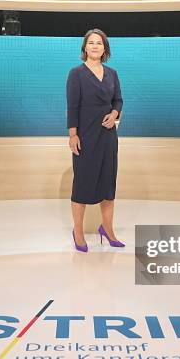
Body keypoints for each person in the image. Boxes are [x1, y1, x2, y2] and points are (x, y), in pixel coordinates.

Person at [66, 29, 124, 252]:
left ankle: (107, 230)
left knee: (108, 185)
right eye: (91, 43)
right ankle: (78, 233)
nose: (95, 46)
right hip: (85, 137)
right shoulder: (76, 74)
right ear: (85, 47)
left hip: (108, 138)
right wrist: (73, 134)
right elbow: (72, 106)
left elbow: (118, 100)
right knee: (82, 185)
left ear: (105, 48)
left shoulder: (112, 73)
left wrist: (115, 114)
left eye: (99, 43)